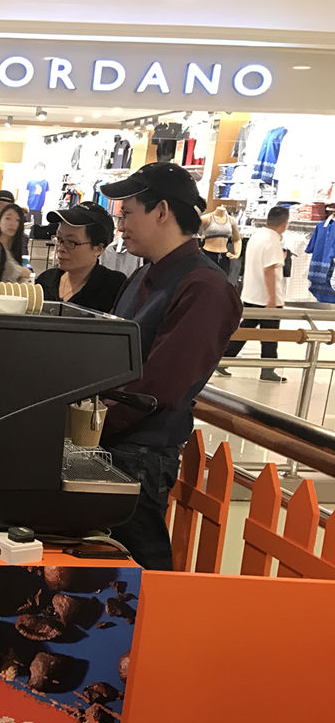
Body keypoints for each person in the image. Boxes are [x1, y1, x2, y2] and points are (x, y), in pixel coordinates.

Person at [98, 163, 242, 571]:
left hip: (139, 454)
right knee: (106, 567)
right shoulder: (145, 274)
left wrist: (90, 424)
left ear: (161, 211)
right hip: (113, 444)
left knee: (141, 569)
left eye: (127, 213)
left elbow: (159, 387)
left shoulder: (204, 287)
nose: (120, 224)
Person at [217, 205, 290, 382]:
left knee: (245, 330)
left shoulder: (258, 236)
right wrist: (272, 298)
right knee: (270, 336)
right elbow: (269, 270)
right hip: (266, 298)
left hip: (251, 294)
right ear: (284, 224)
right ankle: (268, 370)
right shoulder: (273, 241)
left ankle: (224, 359)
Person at [36, 201, 126, 312]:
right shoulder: (45, 281)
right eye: (59, 239)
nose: (60, 248)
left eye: (71, 242)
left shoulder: (113, 287)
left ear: (98, 248)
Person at [0, 203, 31, 282]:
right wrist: (22, 271)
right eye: (8, 218)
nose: (12, 223)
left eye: (17, 220)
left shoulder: (11, 248)